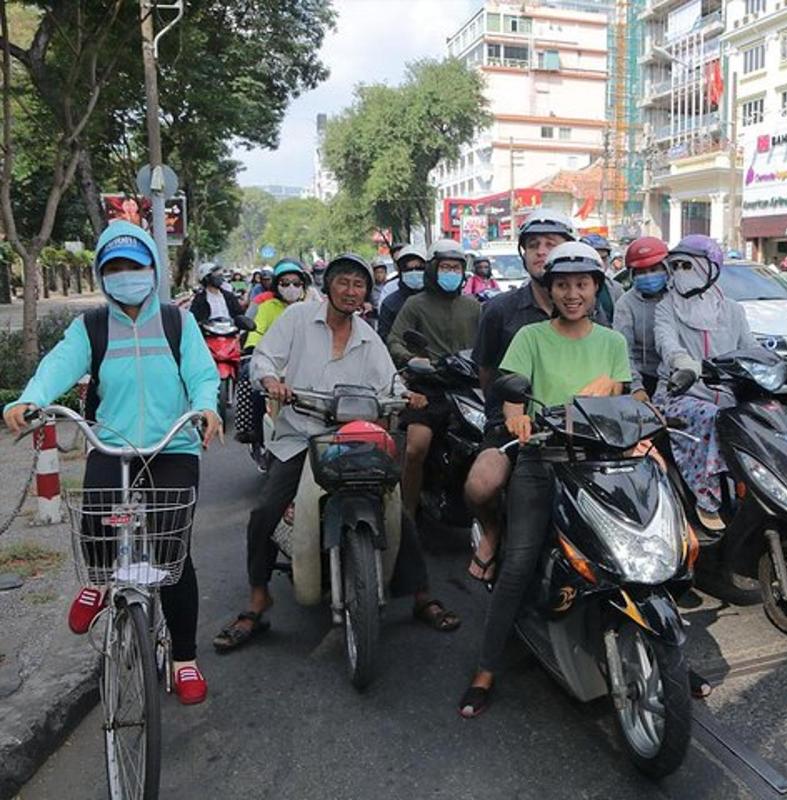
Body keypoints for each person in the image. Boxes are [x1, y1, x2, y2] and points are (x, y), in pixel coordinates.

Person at [3, 221, 222, 704]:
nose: (127, 275)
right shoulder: (92, 326)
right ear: (103, 275)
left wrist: (207, 407)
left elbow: (203, 374)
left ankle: (184, 658)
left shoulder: (175, 322)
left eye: (135, 266)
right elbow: (57, 364)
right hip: (111, 443)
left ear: (152, 269)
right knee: (96, 526)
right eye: (115, 268)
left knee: (172, 557)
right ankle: (100, 583)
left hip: (172, 446)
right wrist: (29, 399)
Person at [212, 254, 459, 652]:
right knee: (265, 511)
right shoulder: (296, 320)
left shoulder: (368, 335)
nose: (350, 290)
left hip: (351, 438)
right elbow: (263, 359)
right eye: (343, 282)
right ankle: (258, 598)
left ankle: (420, 595)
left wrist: (406, 395)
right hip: (298, 437)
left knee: (396, 508)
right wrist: (272, 380)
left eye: (358, 285)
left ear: (366, 293)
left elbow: (388, 384)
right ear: (328, 285)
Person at [458, 241, 632, 718]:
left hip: (599, 461)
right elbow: (512, 391)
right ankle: (487, 666)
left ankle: (664, 647)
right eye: (562, 285)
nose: (572, 293)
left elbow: (625, 397)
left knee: (636, 551)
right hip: (542, 456)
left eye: (582, 284)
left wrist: (639, 421)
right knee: (518, 563)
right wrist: (517, 418)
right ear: (549, 289)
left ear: (596, 288)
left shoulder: (613, 342)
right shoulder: (531, 337)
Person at [465, 209, 574, 583]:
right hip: (514, 426)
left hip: (579, 424)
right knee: (482, 484)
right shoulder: (498, 310)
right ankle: (493, 532)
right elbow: (487, 373)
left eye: (551, 244)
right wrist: (506, 414)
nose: (541, 252)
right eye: (533, 245)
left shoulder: (587, 305)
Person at [654, 234, 756, 530]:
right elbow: (666, 341)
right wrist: (681, 362)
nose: (680, 273)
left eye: (688, 265)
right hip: (679, 395)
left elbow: (750, 347)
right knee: (711, 417)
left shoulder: (733, 310)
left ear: (711, 268)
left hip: (726, 394)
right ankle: (706, 497)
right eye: (676, 266)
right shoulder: (666, 308)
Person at [387, 239, 481, 527]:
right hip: (427, 386)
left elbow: (488, 345)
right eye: (445, 267)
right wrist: (413, 360)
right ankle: (407, 515)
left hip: (467, 387)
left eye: (456, 267)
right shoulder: (415, 304)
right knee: (417, 446)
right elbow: (395, 339)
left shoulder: (473, 306)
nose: (450, 272)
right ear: (433, 269)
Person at [235, 259, 312, 447]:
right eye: (285, 283)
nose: (291, 287)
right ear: (277, 285)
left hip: (304, 366)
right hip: (274, 367)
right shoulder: (267, 307)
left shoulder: (312, 308)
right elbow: (256, 332)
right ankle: (255, 434)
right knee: (248, 374)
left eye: (296, 283)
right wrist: (253, 351)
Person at [613, 236, 669, 397]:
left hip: (677, 376)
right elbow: (623, 350)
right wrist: (636, 386)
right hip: (643, 379)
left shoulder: (676, 299)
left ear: (666, 268)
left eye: (653, 270)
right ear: (632, 275)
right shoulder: (625, 304)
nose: (649, 276)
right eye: (642, 272)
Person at [376, 245, 427, 342]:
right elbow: (384, 337)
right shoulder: (390, 304)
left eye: (418, 268)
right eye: (409, 269)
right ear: (400, 271)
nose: (414, 272)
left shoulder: (436, 299)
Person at [579, 232, 624, 325]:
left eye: (603, 258)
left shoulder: (615, 288)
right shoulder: (569, 288)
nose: (600, 262)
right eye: (594, 258)